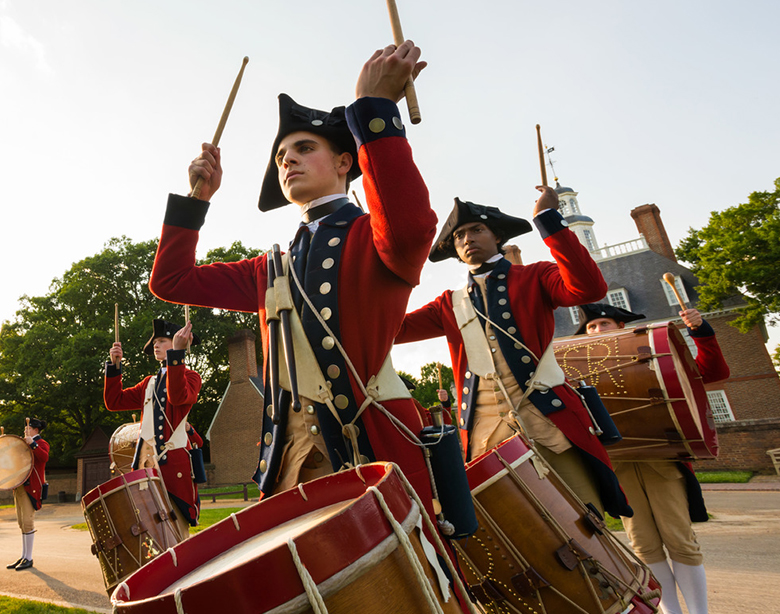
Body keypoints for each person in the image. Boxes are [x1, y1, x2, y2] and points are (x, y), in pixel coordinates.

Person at [148, 43, 445, 523]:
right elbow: (171, 280)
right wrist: (197, 198)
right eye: (281, 155)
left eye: (305, 148)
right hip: (286, 463)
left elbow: (410, 228)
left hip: (372, 450)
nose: (287, 160)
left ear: (345, 162)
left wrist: (374, 110)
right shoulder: (269, 268)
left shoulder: (374, 237)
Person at [395, 197, 632, 519]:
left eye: (476, 230)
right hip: (484, 432)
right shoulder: (449, 303)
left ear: (497, 236)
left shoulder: (535, 276)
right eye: (459, 236)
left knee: (586, 515)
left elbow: (588, 289)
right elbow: (391, 329)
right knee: (514, 525)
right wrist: (386, 279)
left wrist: (548, 219)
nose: (467, 239)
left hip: (549, 421)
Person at [578, 303, 730, 614]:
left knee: (680, 542)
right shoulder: (578, 368)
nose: (597, 330)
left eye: (604, 324)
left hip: (661, 460)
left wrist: (700, 331)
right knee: (643, 546)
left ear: (621, 327)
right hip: (620, 465)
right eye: (591, 327)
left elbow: (713, 373)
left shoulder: (650, 356)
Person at [104, 319, 202, 540]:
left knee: (177, 531)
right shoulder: (148, 382)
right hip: (145, 464)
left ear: (178, 343)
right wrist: (115, 366)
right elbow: (114, 401)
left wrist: (177, 356)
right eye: (155, 341)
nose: (155, 345)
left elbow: (177, 396)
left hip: (174, 465)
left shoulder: (191, 377)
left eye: (162, 340)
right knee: (150, 530)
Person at [7, 417, 49, 571]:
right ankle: (24, 556)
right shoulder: (23, 444)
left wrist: (33, 444)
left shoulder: (41, 443)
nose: (25, 431)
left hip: (31, 487)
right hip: (19, 486)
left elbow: (44, 457)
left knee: (28, 522)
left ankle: (29, 558)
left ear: (36, 430)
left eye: (28, 429)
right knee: (21, 522)